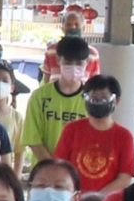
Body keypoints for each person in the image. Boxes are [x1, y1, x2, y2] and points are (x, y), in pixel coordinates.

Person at [52, 73, 134, 199]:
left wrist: (96, 198)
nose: (97, 101)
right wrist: (73, 196)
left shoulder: (124, 136)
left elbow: (124, 178)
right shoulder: (72, 129)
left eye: (103, 97)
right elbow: (60, 168)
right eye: (93, 97)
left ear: (116, 100)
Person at [20, 36, 99, 166]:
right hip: (45, 173)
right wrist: (56, 169)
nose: (73, 68)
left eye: (79, 63)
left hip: (80, 174)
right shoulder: (39, 97)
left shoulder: (92, 100)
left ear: (87, 64)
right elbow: (33, 140)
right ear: (58, 60)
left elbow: (95, 141)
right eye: (68, 62)